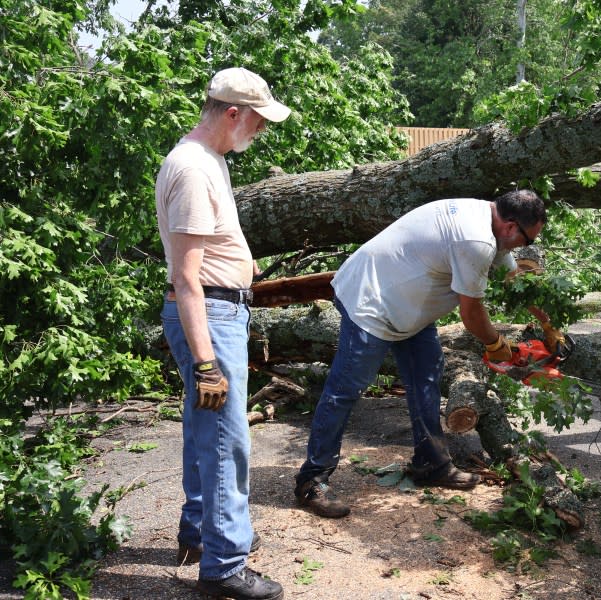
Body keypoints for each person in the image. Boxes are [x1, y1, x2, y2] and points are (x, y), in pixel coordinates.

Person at [293, 190, 565, 518]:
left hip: (408, 307)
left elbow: (516, 278)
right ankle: (312, 480)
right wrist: (495, 344)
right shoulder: (476, 241)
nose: (520, 247)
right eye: (524, 240)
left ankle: (430, 462)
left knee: (427, 374)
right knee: (345, 389)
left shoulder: (490, 222)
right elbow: (472, 314)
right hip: (372, 300)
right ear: (510, 226)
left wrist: (548, 324)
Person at [156, 67, 290, 600]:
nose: (259, 131)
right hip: (208, 315)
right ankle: (225, 566)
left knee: (203, 430)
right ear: (233, 113)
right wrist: (207, 361)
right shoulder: (192, 168)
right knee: (227, 439)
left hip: (219, 307)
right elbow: (186, 276)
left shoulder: (207, 159)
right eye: (257, 121)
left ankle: (199, 530)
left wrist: (243, 264)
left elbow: (208, 246)